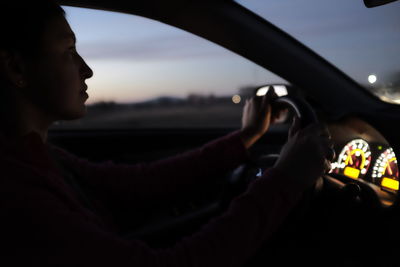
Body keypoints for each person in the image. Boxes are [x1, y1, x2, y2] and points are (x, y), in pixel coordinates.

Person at [0, 1, 333, 266]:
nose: (86, 69)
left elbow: (140, 184)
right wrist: (286, 179)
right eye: (69, 51)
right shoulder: (16, 193)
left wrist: (246, 137)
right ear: (16, 68)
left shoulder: (41, 157)